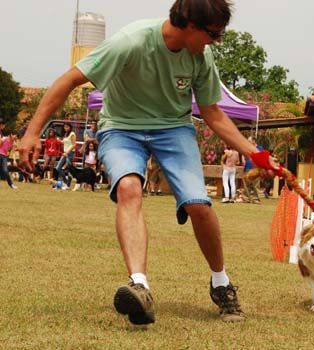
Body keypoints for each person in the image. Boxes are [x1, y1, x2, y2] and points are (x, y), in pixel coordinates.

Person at [20, 0, 277, 325]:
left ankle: (221, 283)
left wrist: (255, 154)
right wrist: (32, 133)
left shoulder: (201, 55)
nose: (216, 41)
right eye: (213, 34)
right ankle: (139, 286)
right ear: (190, 25)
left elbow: (212, 112)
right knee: (129, 188)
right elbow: (68, 80)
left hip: (174, 129)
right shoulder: (131, 42)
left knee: (200, 205)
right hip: (122, 127)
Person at [241, 136, 263, 204]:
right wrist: (243, 159)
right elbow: (242, 153)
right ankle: (246, 198)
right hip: (247, 167)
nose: (248, 142)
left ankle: (256, 199)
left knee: (255, 185)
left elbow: (262, 157)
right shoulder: (247, 147)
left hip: (256, 168)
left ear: (254, 141)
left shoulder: (259, 148)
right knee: (247, 184)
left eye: (249, 140)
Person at [55, 123, 76, 190]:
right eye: (64, 127)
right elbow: (66, 143)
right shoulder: (66, 134)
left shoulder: (72, 134)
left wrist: (67, 152)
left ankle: (66, 184)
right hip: (65, 153)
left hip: (69, 153)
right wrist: (60, 141)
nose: (65, 128)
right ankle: (65, 182)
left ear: (70, 127)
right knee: (58, 168)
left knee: (67, 169)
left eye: (67, 127)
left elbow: (74, 145)